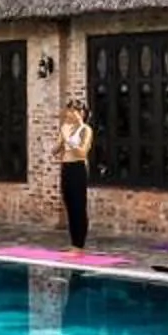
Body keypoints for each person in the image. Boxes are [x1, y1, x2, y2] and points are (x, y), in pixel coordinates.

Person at [56, 100, 95, 249]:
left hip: (78, 168)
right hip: (66, 167)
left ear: (81, 113)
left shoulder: (86, 130)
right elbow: (55, 150)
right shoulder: (67, 129)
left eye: (73, 111)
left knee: (78, 205)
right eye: (68, 111)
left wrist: (68, 139)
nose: (69, 114)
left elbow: (82, 153)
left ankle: (79, 244)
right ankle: (74, 243)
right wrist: (61, 138)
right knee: (70, 205)